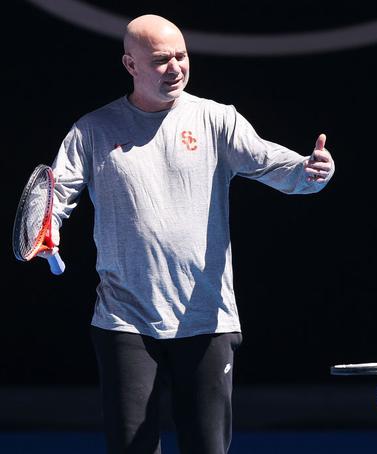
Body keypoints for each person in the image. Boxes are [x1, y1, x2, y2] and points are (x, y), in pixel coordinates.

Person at [41, 14, 334, 454]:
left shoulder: (218, 119)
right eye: (161, 60)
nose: (175, 66)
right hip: (124, 318)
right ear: (130, 64)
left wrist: (311, 171)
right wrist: (48, 228)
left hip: (207, 319)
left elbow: (277, 165)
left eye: (181, 55)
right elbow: (56, 194)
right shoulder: (92, 130)